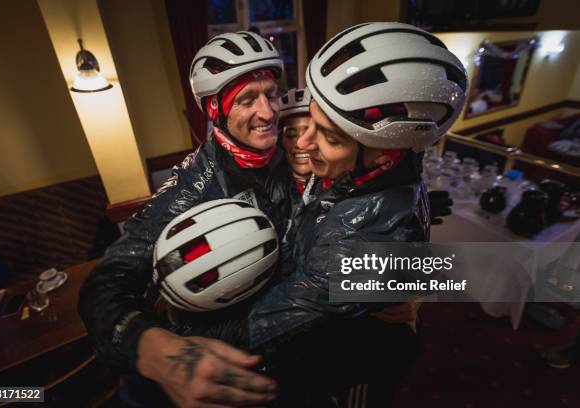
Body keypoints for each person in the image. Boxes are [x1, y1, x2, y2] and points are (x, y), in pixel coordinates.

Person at [168, 22, 467, 407]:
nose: (305, 144)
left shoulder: (355, 246)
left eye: (330, 137)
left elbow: (271, 323)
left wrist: (180, 334)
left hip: (358, 362)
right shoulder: (385, 161)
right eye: (309, 122)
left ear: (384, 152)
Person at [78, 31, 292, 407]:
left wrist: (399, 283)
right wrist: (155, 350)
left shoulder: (295, 147)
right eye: (247, 99)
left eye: (271, 94)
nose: (268, 111)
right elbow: (103, 285)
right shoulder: (190, 189)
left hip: (295, 330)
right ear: (215, 110)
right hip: (235, 362)